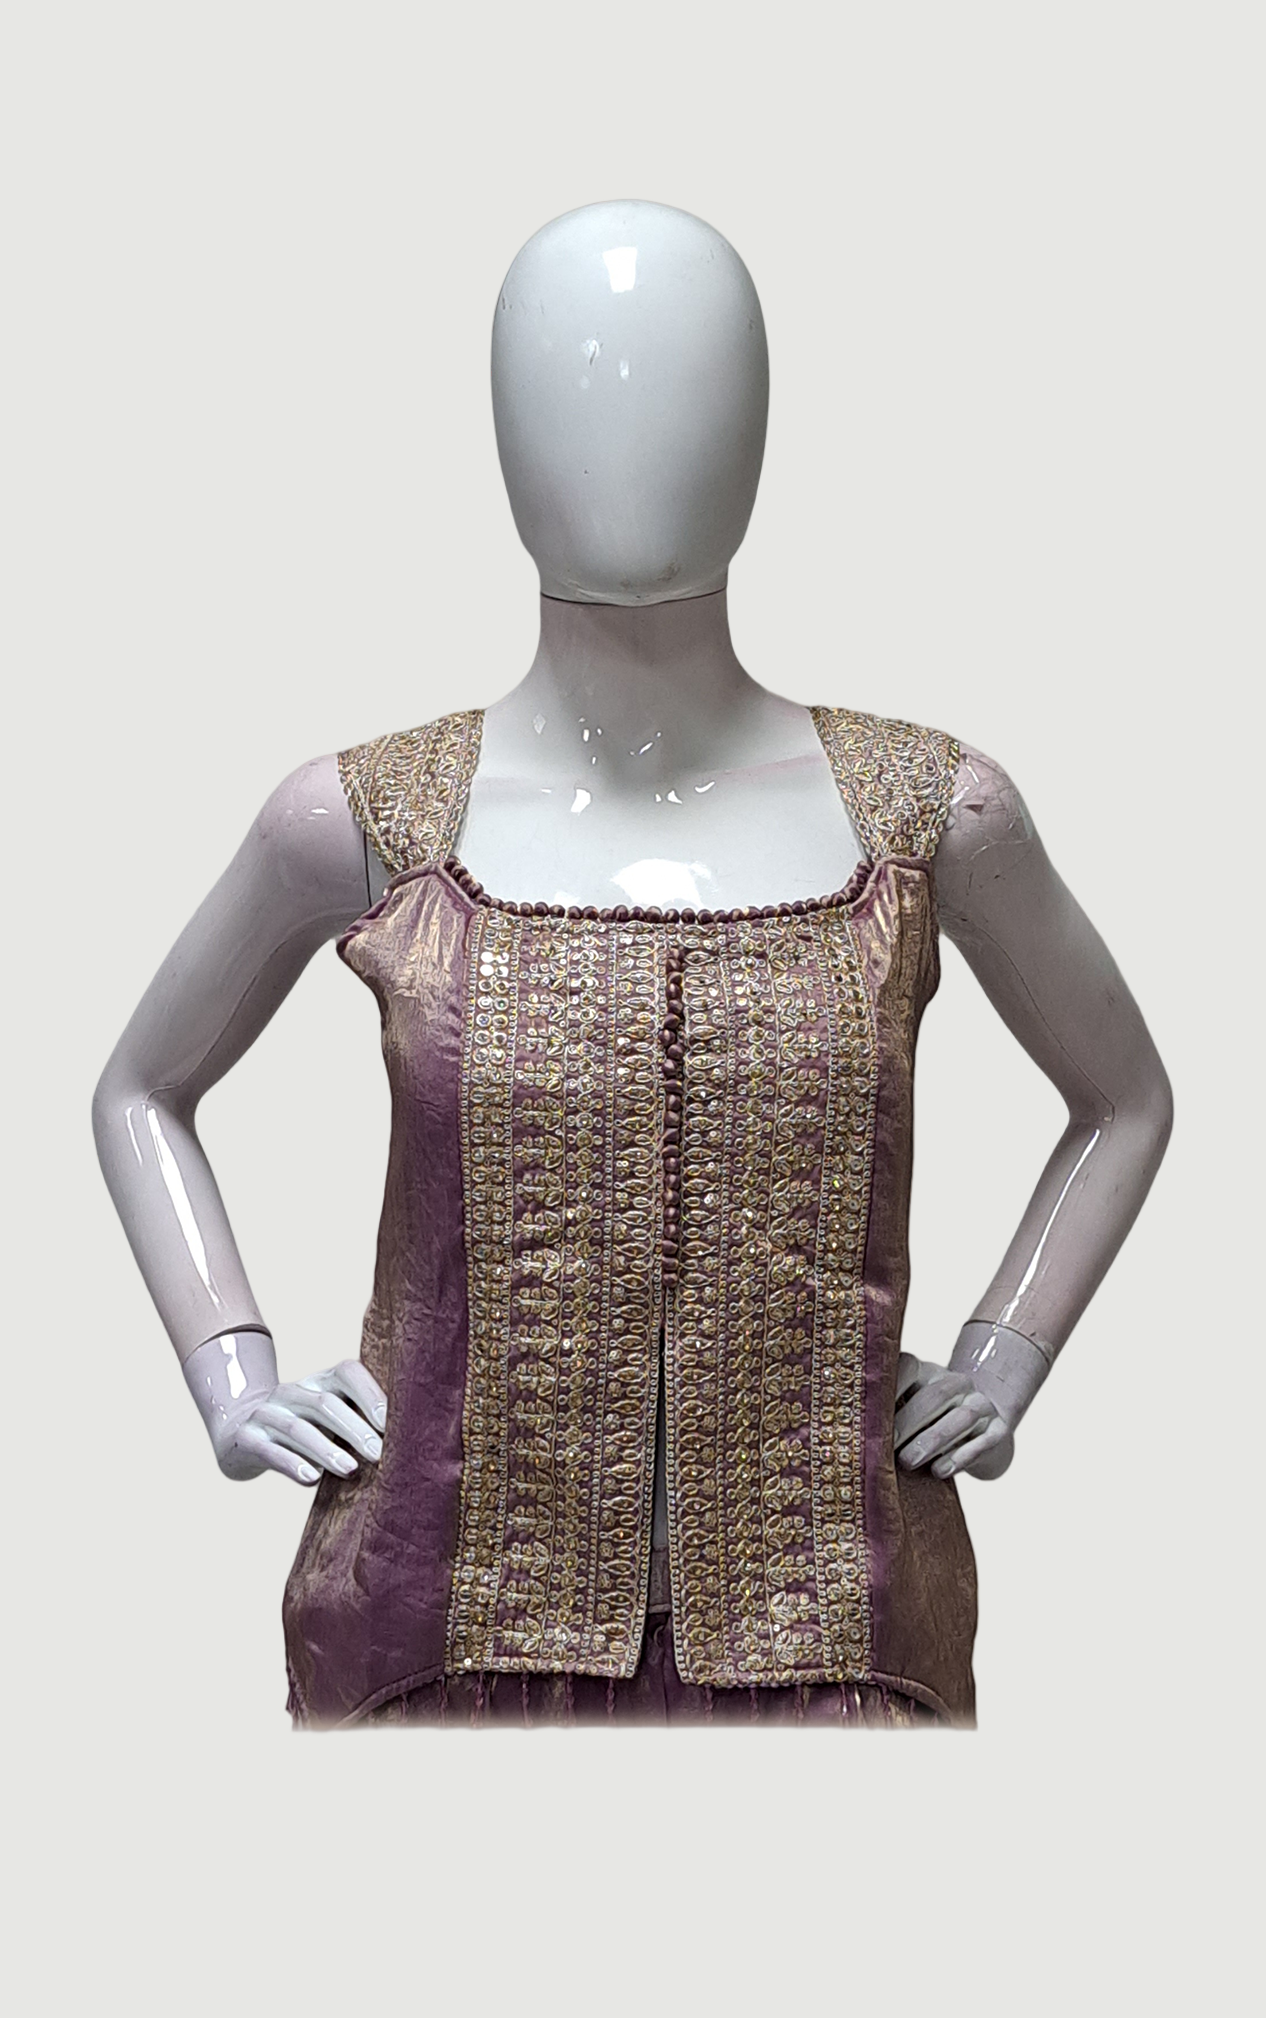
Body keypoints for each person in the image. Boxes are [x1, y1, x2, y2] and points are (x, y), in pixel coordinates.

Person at [93, 201, 1172, 1727]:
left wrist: (1004, 1358)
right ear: (497, 433)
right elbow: (140, 1088)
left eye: (684, 382)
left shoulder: (925, 814)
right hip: (433, 1637)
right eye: (569, 386)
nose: (625, 435)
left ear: (758, 423)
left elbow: (1124, 1097)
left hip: (839, 1642)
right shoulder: (372, 819)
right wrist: (233, 1374)